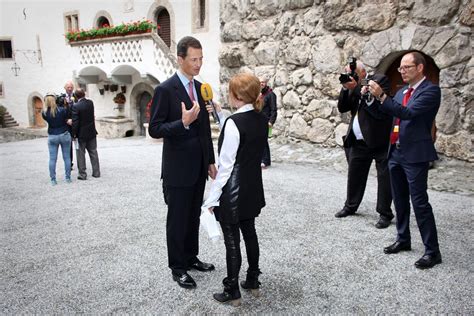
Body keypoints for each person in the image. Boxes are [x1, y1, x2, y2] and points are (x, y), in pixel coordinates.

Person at [148, 36, 217, 289]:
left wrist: (210, 160)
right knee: (177, 219)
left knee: (192, 216)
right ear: (180, 59)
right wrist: (183, 122)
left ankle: (190, 257)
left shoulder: (200, 88)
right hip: (177, 170)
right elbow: (154, 129)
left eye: (201, 59)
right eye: (193, 59)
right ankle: (177, 267)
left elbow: (204, 130)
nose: (198, 64)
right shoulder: (164, 90)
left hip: (198, 166)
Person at [368, 51, 442, 269]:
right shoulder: (401, 92)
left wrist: (383, 96)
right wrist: (371, 99)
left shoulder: (431, 91)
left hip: (415, 155)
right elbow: (388, 114)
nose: (402, 71)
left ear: (420, 68)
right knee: (399, 199)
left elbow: (407, 113)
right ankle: (403, 239)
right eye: (400, 68)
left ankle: (432, 251)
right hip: (396, 153)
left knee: (419, 202)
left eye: (406, 67)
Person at [202, 73, 268, 307]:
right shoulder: (261, 119)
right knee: (250, 233)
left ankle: (232, 290)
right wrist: (221, 116)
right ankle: (252, 279)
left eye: (230, 91)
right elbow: (243, 136)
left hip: (234, 191)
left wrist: (211, 198)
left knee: (232, 241)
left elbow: (226, 166)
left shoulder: (233, 123)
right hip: (252, 187)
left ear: (237, 95)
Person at [335, 61, 394, 229]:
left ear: (362, 72)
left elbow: (378, 105)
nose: (350, 75)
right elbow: (343, 107)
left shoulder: (379, 79)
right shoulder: (352, 86)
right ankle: (350, 206)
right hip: (358, 141)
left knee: (384, 178)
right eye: (347, 72)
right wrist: (347, 88)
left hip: (378, 139)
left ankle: (385, 213)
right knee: (354, 175)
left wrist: (356, 87)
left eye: (352, 72)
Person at [41, 93, 72, 185]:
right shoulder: (62, 110)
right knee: (66, 157)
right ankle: (68, 177)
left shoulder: (44, 113)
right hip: (64, 134)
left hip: (52, 135)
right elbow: (67, 117)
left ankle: (53, 179)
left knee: (52, 159)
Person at [71, 88, 101, 180]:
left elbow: (75, 122)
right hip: (91, 132)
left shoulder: (76, 106)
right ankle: (96, 172)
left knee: (80, 154)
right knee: (93, 152)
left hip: (81, 134)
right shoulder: (90, 103)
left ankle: (82, 174)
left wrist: (74, 134)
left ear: (76, 96)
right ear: (84, 94)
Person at [259, 75, 277, 169]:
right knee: (261, 140)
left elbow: (274, 109)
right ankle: (265, 160)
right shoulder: (259, 94)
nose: (261, 84)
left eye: (263, 82)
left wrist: (271, 121)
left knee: (263, 140)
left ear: (266, 83)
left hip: (266, 121)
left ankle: (264, 161)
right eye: (260, 82)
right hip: (258, 121)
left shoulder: (271, 94)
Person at [63, 81, 76, 169]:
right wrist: (66, 120)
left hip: (76, 123)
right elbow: (60, 112)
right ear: (65, 88)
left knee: (79, 145)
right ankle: (69, 163)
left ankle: (81, 163)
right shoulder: (62, 98)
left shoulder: (76, 96)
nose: (70, 89)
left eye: (71, 87)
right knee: (68, 146)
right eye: (68, 87)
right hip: (67, 125)